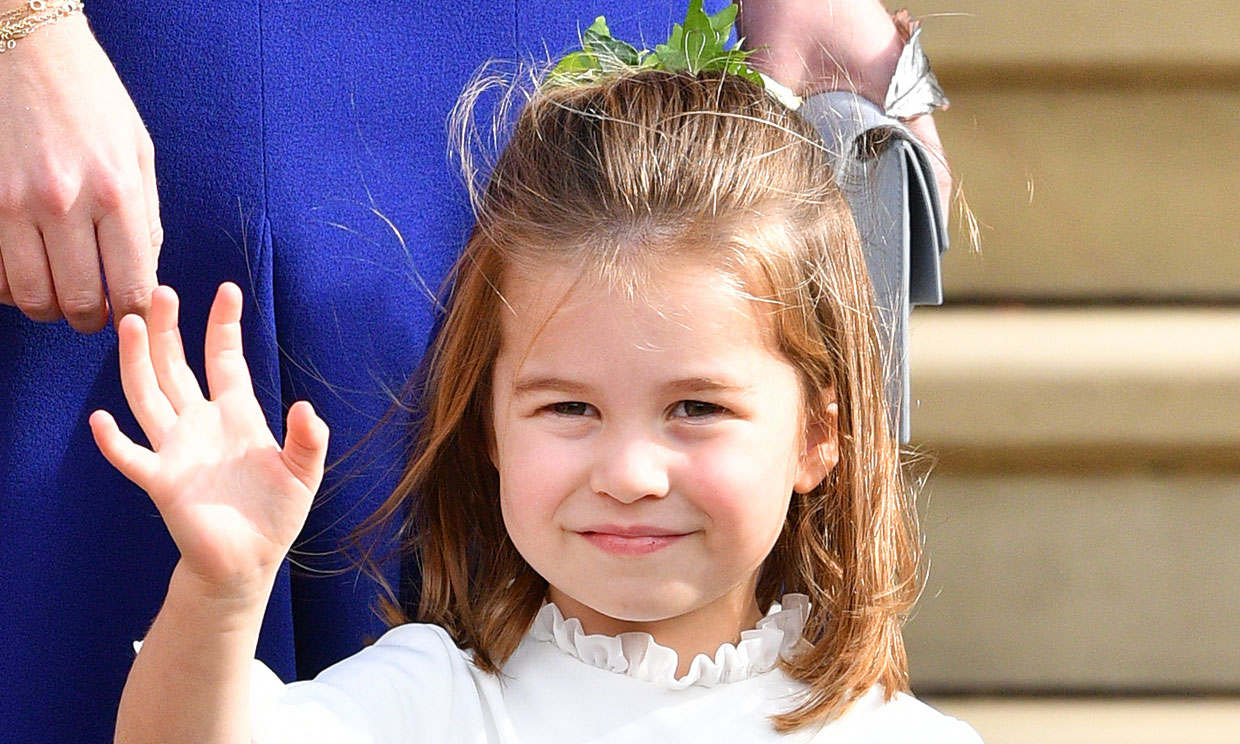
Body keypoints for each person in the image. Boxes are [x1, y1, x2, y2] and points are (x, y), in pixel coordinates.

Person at [0, 1, 951, 741]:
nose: (627, 472)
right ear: (486, 419)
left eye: (696, 407)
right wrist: (221, 589)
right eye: (569, 406)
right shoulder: (431, 698)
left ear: (820, 433)